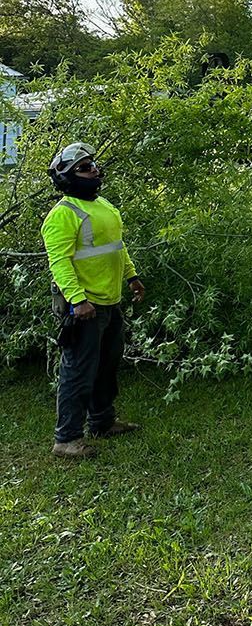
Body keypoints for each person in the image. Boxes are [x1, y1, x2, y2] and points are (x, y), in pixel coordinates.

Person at [42, 143, 145, 460]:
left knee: (107, 365)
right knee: (78, 371)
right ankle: (67, 439)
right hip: (85, 308)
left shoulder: (103, 206)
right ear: (68, 178)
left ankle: (102, 422)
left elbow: (117, 247)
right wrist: (77, 300)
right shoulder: (62, 215)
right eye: (85, 168)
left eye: (93, 165)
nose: (94, 170)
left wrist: (132, 276)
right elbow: (60, 263)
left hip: (109, 301)